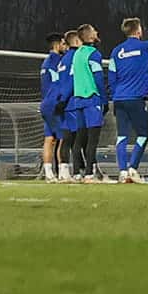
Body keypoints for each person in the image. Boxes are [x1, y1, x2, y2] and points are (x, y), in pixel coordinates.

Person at [110, 18, 148, 183]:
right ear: (138, 31)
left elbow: (112, 78)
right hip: (135, 98)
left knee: (121, 136)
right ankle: (133, 168)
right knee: (143, 135)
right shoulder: (145, 47)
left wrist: (115, 95)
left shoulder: (116, 51)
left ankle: (122, 172)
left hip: (119, 98)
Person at [65, 24, 109, 181]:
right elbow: (98, 78)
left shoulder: (77, 54)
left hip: (78, 100)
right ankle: (90, 173)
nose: (97, 32)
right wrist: (104, 100)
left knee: (79, 138)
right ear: (90, 36)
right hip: (92, 99)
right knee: (92, 139)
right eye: (94, 31)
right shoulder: (94, 54)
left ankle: (77, 173)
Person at [38, 32, 69, 182]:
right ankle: (63, 172)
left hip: (45, 103)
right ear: (57, 45)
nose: (66, 47)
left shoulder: (45, 62)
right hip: (54, 103)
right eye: (63, 44)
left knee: (49, 139)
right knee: (63, 138)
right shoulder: (59, 62)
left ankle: (49, 173)